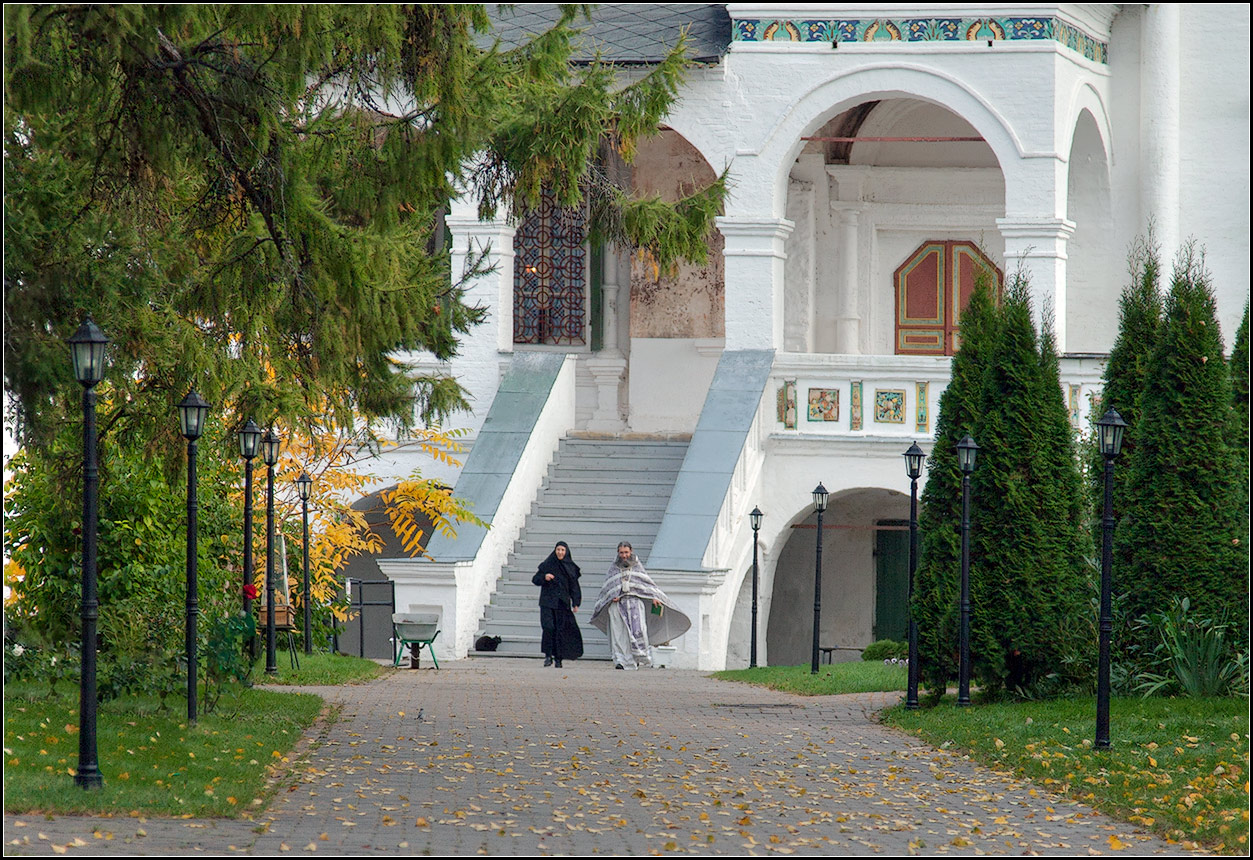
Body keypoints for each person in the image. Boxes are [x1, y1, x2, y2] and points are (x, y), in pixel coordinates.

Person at [591, 541, 691, 670]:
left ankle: (636, 658)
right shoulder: (614, 568)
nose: (624, 555)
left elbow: (646, 584)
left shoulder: (637, 566)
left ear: (631, 551)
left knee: (638, 631)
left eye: (626, 552)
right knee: (619, 634)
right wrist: (612, 596)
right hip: (617, 606)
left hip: (634, 604)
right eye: (621, 553)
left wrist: (654, 597)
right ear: (618, 553)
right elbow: (608, 587)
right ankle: (621, 661)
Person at [532, 541, 583, 667]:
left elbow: (574, 586)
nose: (560, 552)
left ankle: (559, 658)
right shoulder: (548, 564)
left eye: (562, 550)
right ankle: (548, 656)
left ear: (566, 552)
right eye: (558, 550)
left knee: (560, 630)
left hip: (562, 603)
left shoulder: (570, 567)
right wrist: (545, 577)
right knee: (548, 627)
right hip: (547, 602)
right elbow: (535, 579)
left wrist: (576, 602)